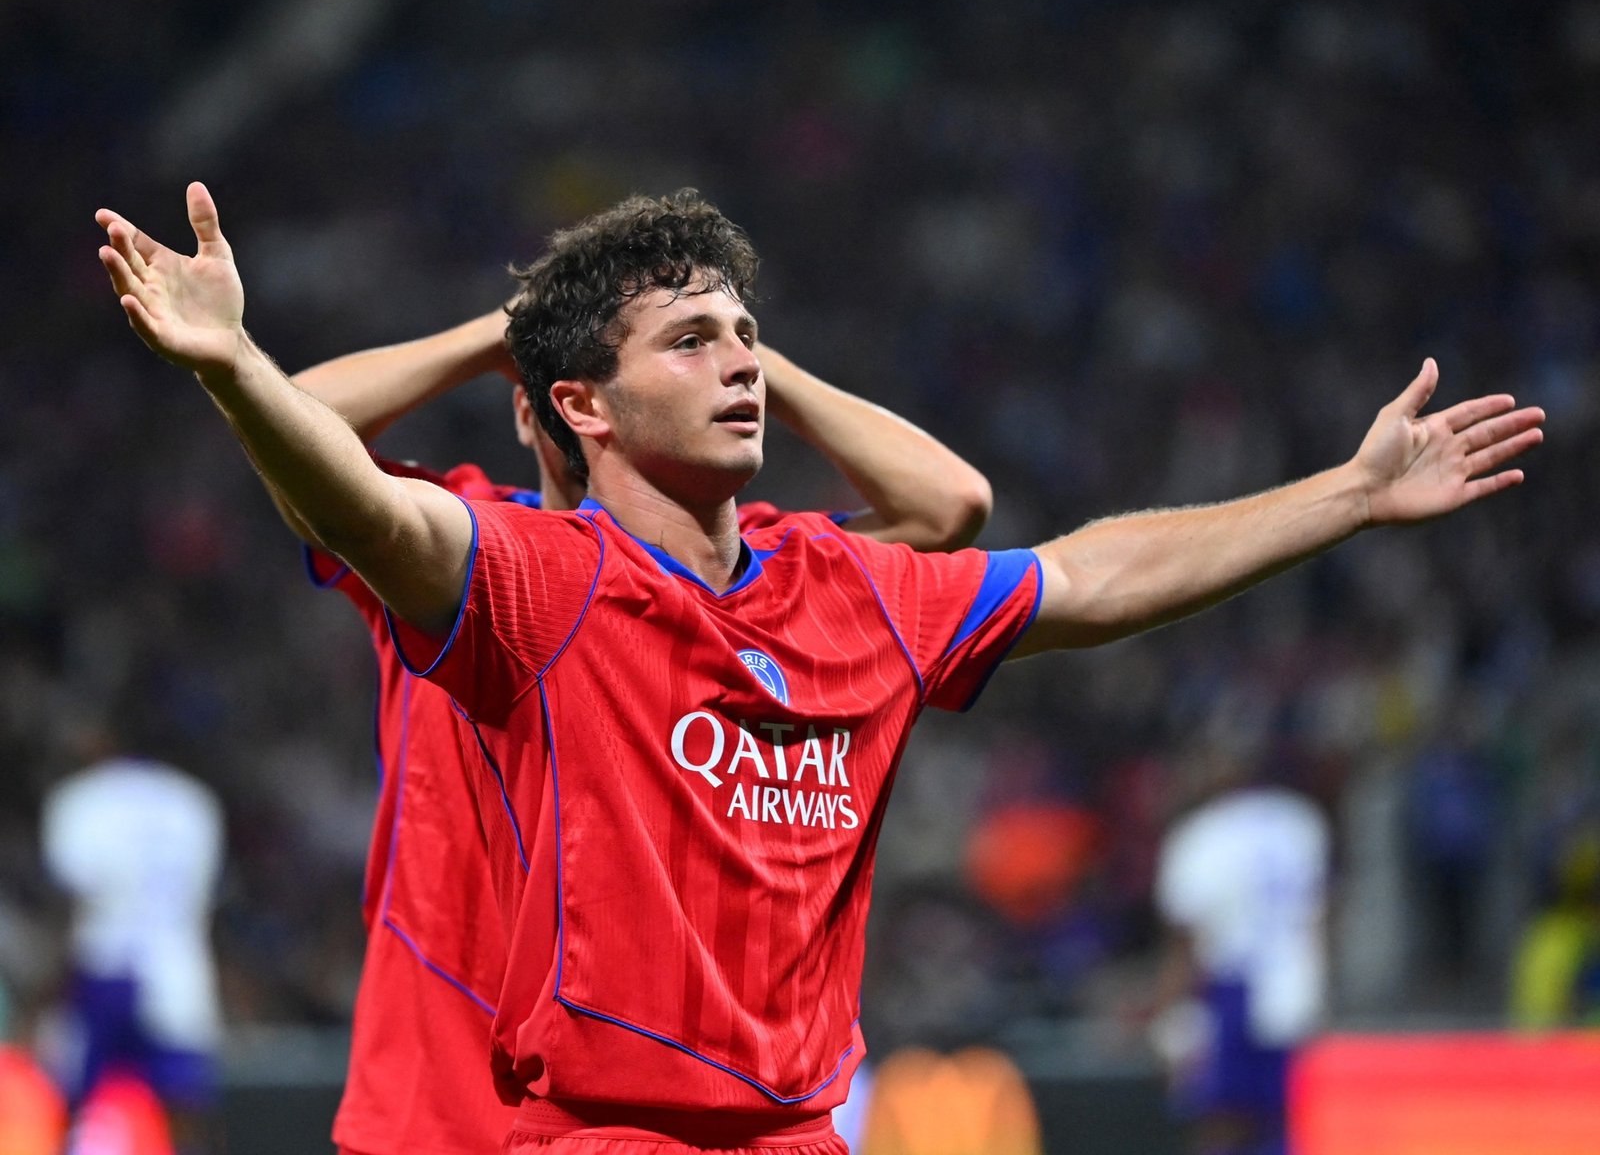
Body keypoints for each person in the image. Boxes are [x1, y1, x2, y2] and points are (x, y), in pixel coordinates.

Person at [96, 182, 1542, 1154]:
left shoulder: (838, 584)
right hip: (514, 1123)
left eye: (752, 338)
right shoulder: (524, 578)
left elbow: (1071, 562)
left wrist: (1343, 496)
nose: (742, 364)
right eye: (698, 341)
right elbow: (339, 481)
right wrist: (252, 364)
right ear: (577, 405)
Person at [285, 309, 994, 1155]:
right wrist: (502, 334)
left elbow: (949, 506)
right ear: (545, 406)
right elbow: (289, 421)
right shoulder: (445, 544)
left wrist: (746, 363)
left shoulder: (740, 572)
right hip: (433, 1091)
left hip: (622, 1106)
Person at [40, 724, 224, 1155]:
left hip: (104, 968)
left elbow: (70, 899)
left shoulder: (83, 797)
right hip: (180, 973)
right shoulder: (194, 802)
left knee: (72, 1105)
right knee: (186, 1114)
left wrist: (51, 989)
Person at [1149, 751, 1331, 1155]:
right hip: (1295, 985)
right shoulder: (1298, 819)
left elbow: (1187, 943)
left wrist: (1163, 1011)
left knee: (1222, 1117)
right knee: (1285, 1116)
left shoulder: (1203, 834)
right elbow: (1320, 914)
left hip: (1234, 987)